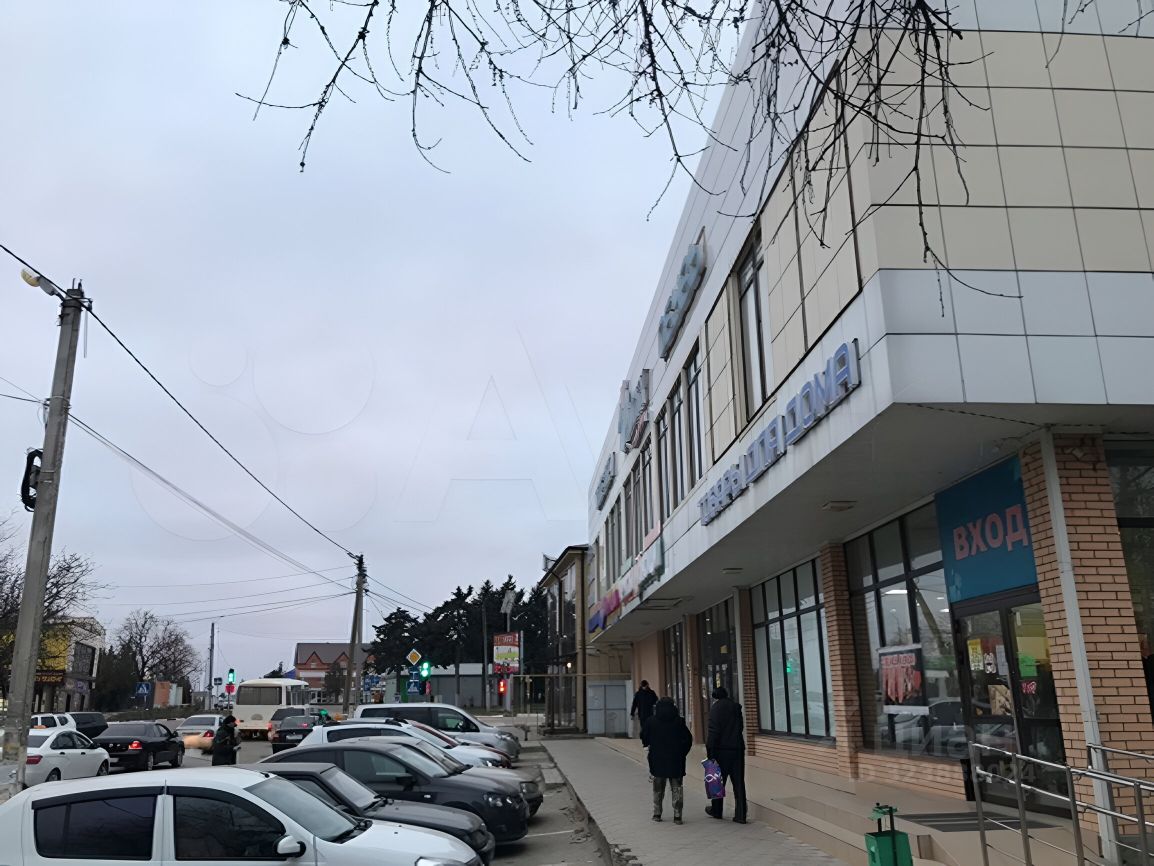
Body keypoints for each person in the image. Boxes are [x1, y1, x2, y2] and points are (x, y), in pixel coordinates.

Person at [641, 697, 693, 824]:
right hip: (676, 760)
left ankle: (657, 813)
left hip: (657, 760)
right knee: (677, 788)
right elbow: (688, 739)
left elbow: (644, 736)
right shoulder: (679, 721)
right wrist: (682, 753)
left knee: (658, 788)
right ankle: (677, 815)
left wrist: (649, 746)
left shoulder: (651, 721)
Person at [705, 686, 747, 823]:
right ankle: (741, 814)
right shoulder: (736, 707)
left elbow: (713, 731)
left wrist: (710, 751)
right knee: (739, 782)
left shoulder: (715, 709)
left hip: (721, 750)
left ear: (715, 697)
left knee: (717, 781)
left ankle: (717, 810)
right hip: (737, 749)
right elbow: (740, 727)